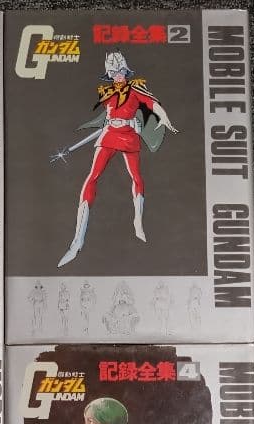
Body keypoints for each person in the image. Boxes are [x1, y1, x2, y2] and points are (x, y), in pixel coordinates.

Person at [55, 51, 177, 266]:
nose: (118, 74)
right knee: (92, 177)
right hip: (109, 134)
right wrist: (110, 124)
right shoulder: (107, 93)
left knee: (136, 177)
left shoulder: (135, 90)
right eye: (113, 71)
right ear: (109, 74)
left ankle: (138, 222)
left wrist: (164, 117)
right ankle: (77, 241)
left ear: (126, 71)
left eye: (121, 70)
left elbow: (151, 104)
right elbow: (109, 117)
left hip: (129, 137)